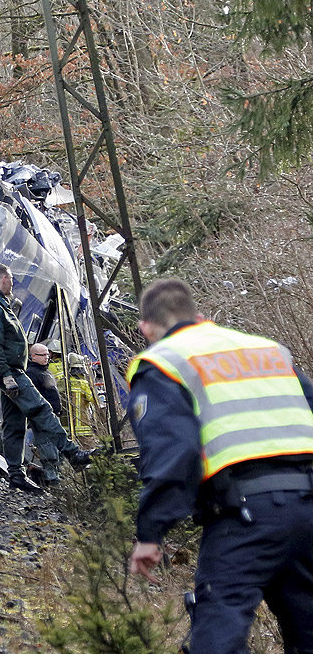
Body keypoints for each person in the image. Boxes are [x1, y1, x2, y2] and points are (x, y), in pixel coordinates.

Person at [126, 277, 313, 654]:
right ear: (200, 316)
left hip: (245, 513)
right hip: (310, 506)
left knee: (218, 627)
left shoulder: (163, 362)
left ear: (146, 328)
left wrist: (151, 532)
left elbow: (173, 455)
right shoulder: (270, 350)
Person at [0, 263, 94, 492]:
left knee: (14, 424)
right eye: (10, 278)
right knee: (41, 409)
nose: (13, 283)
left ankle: (16, 477)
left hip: (9, 372)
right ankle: (73, 453)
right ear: (2, 280)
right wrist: (7, 376)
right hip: (10, 372)